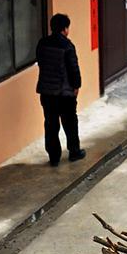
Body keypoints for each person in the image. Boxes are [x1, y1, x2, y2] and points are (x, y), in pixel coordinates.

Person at [35, 13, 85, 167]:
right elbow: (73, 69)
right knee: (70, 122)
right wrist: (76, 86)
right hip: (64, 93)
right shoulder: (67, 46)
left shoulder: (42, 43)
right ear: (65, 29)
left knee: (50, 123)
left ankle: (54, 156)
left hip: (47, 92)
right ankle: (74, 151)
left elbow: (41, 63)